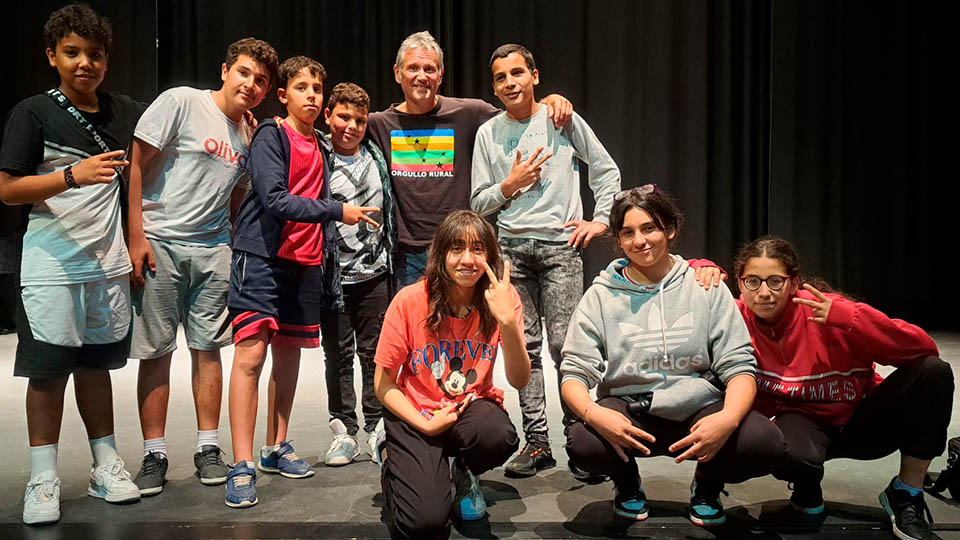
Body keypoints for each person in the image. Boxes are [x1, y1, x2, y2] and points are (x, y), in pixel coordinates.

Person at [560, 185, 785, 525]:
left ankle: (708, 486)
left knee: (764, 442)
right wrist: (593, 414)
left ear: (670, 229)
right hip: (633, 410)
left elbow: (740, 366)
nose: (640, 240)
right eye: (628, 232)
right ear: (618, 241)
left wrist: (727, 420)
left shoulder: (705, 285)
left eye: (649, 227)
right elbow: (574, 373)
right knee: (583, 441)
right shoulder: (601, 296)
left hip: (699, 409)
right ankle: (627, 485)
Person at [0, 3, 144, 524]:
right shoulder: (33, 112)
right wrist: (70, 176)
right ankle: (43, 476)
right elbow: (9, 188)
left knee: (96, 367)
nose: (85, 63)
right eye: (73, 53)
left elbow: (143, 174)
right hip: (50, 265)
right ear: (52, 56)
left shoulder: (125, 111)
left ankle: (105, 465)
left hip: (106, 266)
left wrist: (135, 239)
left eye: (95, 54)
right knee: (47, 375)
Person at [125, 37, 278, 495]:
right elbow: (135, 164)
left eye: (261, 81)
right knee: (156, 352)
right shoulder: (181, 102)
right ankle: (154, 454)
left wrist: (233, 243)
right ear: (226, 69)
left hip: (214, 250)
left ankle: (208, 447)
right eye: (244, 73)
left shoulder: (248, 134)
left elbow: (236, 194)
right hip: (161, 242)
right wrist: (135, 236)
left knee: (207, 348)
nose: (250, 85)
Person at [225, 58, 380, 508]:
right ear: (284, 94)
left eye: (317, 87)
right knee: (251, 357)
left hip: (305, 263)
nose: (311, 95)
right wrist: (338, 211)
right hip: (261, 257)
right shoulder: (271, 135)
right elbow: (273, 198)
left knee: (288, 357)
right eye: (302, 87)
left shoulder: (323, 145)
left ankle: (276, 445)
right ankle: (241, 463)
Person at [733, 235, 951, 540]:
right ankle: (807, 489)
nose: (764, 292)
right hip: (803, 424)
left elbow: (923, 349)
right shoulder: (733, 318)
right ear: (740, 284)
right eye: (753, 281)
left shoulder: (829, 311)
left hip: (861, 420)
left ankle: (906, 492)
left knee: (934, 373)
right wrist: (702, 266)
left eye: (775, 281)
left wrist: (852, 319)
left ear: (794, 282)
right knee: (785, 448)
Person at [471, 43, 621, 478]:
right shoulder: (488, 134)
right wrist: (510, 184)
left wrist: (601, 220)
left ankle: (579, 438)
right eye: (500, 77)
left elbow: (605, 169)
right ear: (494, 87)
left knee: (566, 346)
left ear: (534, 76)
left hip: (560, 250)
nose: (510, 83)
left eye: (517, 73)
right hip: (511, 251)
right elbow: (478, 203)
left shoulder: (561, 117)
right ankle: (538, 442)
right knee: (525, 348)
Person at [365, 31, 573, 288]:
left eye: (429, 69)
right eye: (413, 68)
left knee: (469, 326)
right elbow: (337, 133)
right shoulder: (377, 124)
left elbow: (520, 113)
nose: (421, 76)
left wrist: (548, 101)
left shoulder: (469, 113)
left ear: (440, 76)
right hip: (407, 254)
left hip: (462, 247)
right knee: (415, 326)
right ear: (398, 73)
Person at [374, 210, 529, 539]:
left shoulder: (501, 298)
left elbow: (519, 380)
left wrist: (507, 323)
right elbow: (383, 384)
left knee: (498, 435)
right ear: (440, 253)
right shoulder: (411, 301)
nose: (468, 260)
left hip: (468, 408)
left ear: (490, 254)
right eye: (457, 248)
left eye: (477, 249)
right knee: (424, 523)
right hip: (417, 412)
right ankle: (389, 454)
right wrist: (427, 423)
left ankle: (463, 470)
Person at [319, 82, 395, 466]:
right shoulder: (318, 154)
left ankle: (376, 425)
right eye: (343, 116)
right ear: (328, 115)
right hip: (332, 277)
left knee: (374, 353)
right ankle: (343, 429)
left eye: (359, 120)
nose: (351, 126)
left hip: (374, 272)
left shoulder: (376, 155)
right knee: (337, 354)